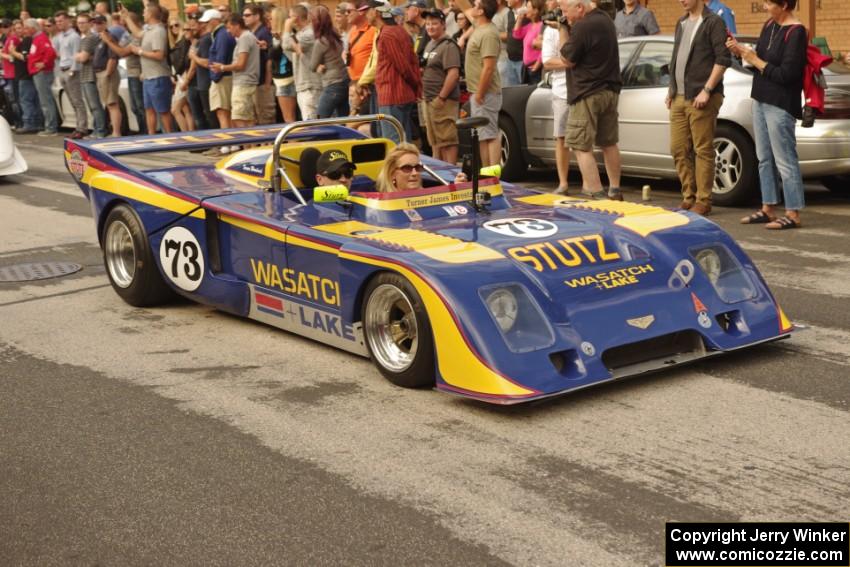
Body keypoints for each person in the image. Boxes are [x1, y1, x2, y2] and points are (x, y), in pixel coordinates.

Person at [727, 0, 806, 229]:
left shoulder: (797, 32)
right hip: (760, 98)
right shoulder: (769, 25)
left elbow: (788, 74)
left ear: (784, 4)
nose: (764, 6)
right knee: (764, 158)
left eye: (769, 3)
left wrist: (756, 61)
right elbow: (757, 62)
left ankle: (793, 213)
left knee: (785, 159)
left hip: (781, 102)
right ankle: (768, 208)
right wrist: (741, 52)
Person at [665, 0, 729, 216]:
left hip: (702, 96)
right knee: (678, 148)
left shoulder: (714, 22)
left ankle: (703, 200)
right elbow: (676, 59)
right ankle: (688, 196)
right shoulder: (681, 22)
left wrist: (707, 90)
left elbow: (723, 59)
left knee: (702, 149)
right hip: (679, 97)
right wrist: (671, 89)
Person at [559, 0, 623, 200]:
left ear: (580, 7)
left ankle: (597, 194)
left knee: (580, 146)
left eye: (566, 11)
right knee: (608, 143)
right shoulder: (605, 19)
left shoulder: (583, 26)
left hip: (587, 92)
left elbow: (566, 58)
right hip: (609, 90)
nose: (565, 16)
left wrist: (563, 29)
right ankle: (615, 190)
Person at [369, 0, 421, 144]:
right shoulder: (399, 31)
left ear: (377, 12)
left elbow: (404, 67)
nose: (365, 14)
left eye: (367, 10)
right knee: (403, 141)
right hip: (400, 94)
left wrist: (415, 85)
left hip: (392, 95)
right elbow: (412, 62)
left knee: (394, 144)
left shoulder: (388, 34)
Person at [421, 9, 461, 164]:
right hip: (428, 99)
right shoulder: (430, 44)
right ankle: (439, 177)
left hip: (443, 100)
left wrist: (442, 97)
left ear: (443, 25)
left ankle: (451, 174)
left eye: (435, 23)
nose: (430, 27)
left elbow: (453, 74)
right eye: (428, 23)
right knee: (435, 142)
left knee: (447, 141)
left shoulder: (448, 45)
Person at [466, 0, 503, 167]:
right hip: (479, 92)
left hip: (485, 93)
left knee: (490, 134)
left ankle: (493, 176)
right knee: (482, 135)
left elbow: (488, 67)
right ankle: (485, 174)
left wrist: (480, 93)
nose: (472, 7)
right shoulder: (479, 25)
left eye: (476, 5)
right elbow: (464, 7)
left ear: (481, 11)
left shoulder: (488, 33)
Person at [128, 4, 175, 134]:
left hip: (158, 76)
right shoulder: (148, 29)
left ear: (150, 14)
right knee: (149, 108)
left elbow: (160, 55)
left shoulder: (158, 31)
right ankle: (151, 136)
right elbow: (137, 34)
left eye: (144, 12)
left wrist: (140, 51)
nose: (143, 15)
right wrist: (126, 17)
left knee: (163, 110)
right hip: (148, 77)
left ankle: (169, 136)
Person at [101, 10, 147, 134]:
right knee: (134, 107)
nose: (124, 27)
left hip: (137, 72)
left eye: (125, 24)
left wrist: (109, 41)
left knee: (140, 106)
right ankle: (143, 131)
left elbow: (122, 52)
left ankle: (145, 133)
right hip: (131, 73)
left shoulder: (139, 36)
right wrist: (111, 39)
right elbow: (120, 48)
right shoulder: (129, 35)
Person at [211, 15, 260, 128]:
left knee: (239, 118)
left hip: (243, 83)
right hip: (245, 82)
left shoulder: (244, 38)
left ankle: (249, 145)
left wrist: (222, 67)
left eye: (229, 27)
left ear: (237, 25)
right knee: (247, 118)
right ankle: (251, 145)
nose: (228, 31)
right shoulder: (248, 37)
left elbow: (241, 64)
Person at [542, 17, 570, 193]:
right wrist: (570, 63)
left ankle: (589, 184)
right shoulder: (550, 31)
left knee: (584, 141)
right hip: (561, 90)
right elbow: (547, 61)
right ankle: (563, 183)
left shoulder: (581, 26)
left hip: (583, 88)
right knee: (561, 137)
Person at [283, 4, 323, 120]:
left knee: (311, 123)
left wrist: (286, 28)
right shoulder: (301, 34)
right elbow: (290, 53)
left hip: (310, 86)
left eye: (290, 17)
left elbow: (286, 45)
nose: (288, 20)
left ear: (296, 18)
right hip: (304, 85)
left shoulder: (309, 34)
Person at [310, 5, 350, 118]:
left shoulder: (321, 42)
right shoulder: (336, 36)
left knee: (321, 118)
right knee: (343, 119)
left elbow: (312, 66)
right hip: (344, 81)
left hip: (332, 84)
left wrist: (318, 66)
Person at [376, 143, 466, 192]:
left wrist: (456, 190)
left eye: (417, 167)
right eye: (407, 168)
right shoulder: (383, 205)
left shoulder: (431, 197)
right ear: (392, 174)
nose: (415, 173)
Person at [53, 11, 87, 139]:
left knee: (77, 100)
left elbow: (76, 54)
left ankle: (82, 128)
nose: (58, 24)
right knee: (72, 100)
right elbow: (56, 52)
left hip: (71, 71)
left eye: (61, 21)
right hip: (62, 69)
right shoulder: (60, 36)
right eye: (57, 22)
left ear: (68, 20)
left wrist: (73, 70)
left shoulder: (74, 36)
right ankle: (78, 126)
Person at [202, 8, 236, 132]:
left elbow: (220, 58)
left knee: (223, 111)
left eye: (207, 22)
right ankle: (231, 143)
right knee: (224, 111)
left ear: (215, 21)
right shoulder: (220, 34)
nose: (204, 25)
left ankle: (229, 143)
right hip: (223, 76)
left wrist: (215, 78)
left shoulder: (221, 35)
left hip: (222, 78)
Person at [24, 19, 58, 136]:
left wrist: (44, 63)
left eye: (26, 28)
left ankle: (51, 127)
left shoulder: (41, 38)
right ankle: (49, 126)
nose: (25, 30)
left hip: (42, 73)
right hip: (39, 73)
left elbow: (51, 52)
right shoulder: (38, 38)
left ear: (32, 28)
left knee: (46, 100)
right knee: (44, 100)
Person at [75, 14, 107, 138]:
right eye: (78, 23)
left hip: (90, 75)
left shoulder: (90, 38)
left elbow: (82, 58)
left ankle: (100, 130)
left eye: (83, 22)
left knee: (95, 105)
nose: (81, 25)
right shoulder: (84, 39)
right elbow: (80, 56)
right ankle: (96, 129)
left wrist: (79, 56)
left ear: (89, 23)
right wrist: (80, 56)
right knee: (92, 105)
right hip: (84, 75)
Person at [243, 4, 275, 125]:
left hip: (264, 82)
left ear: (257, 16)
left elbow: (269, 59)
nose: (244, 18)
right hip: (257, 81)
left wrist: (267, 82)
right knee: (259, 116)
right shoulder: (253, 33)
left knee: (267, 117)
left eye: (247, 15)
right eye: (243, 15)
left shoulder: (264, 32)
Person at [92, 16, 123, 137]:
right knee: (109, 104)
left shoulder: (109, 37)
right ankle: (114, 131)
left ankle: (116, 132)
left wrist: (107, 73)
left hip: (107, 73)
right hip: (100, 73)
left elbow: (113, 57)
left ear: (105, 24)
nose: (96, 25)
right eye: (94, 23)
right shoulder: (99, 38)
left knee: (112, 103)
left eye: (99, 23)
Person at [188, 14, 220, 130]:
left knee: (211, 115)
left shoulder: (206, 40)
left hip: (207, 84)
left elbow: (208, 63)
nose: (192, 29)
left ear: (202, 25)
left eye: (194, 26)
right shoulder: (200, 40)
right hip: (202, 84)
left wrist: (194, 57)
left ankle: (219, 143)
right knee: (207, 115)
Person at [346, 2, 376, 116]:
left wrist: (364, 82)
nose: (346, 14)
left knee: (366, 123)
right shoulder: (353, 30)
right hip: (354, 85)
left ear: (360, 11)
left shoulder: (373, 30)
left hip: (368, 86)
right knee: (354, 120)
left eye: (349, 11)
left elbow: (376, 58)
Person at [270, 7, 297, 122]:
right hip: (282, 79)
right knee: (289, 118)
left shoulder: (289, 36)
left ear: (277, 20)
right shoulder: (276, 36)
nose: (269, 21)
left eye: (271, 19)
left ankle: (293, 140)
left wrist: (279, 41)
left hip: (286, 78)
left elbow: (290, 56)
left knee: (289, 118)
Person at [169, 18, 195, 132]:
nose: (174, 28)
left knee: (175, 109)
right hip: (180, 77)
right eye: (171, 26)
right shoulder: (174, 43)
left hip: (184, 76)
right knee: (186, 109)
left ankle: (186, 135)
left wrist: (176, 75)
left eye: (176, 25)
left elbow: (183, 61)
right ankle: (190, 135)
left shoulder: (184, 41)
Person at [512, 0, 544, 84]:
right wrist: (519, 19)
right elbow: (516, 34)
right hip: (527, 67)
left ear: (536, 10)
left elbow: (545, 46)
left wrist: (538, 62)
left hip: (535, 68)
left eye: (528, 7)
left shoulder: (541, 26)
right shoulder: (530, 26)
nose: (526, 9)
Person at [1, 19, 23, 130]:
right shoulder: (8, 39)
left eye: (5, 26)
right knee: (11, 100)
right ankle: (17, 122)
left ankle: (20, 123)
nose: (3, 29)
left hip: (13, 74)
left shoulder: (13, 39)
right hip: (8, 74)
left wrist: (1, 54)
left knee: (15, 100)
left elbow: (11, 58)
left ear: (10, 27)